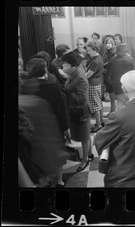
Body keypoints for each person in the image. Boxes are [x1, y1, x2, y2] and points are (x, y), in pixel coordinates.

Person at [22, 58, 69, 187]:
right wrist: (65, 127)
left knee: (38, 154)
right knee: (58, 153)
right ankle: (59, 180)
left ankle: (45, 180)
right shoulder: (53, 85)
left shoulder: (25, 86)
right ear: (45, 70)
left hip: (33, 127)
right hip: (54, 125)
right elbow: (61, 108)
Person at [61, 51, 93, 171]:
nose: (63, 68)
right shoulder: (73, 73)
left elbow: (82, 98)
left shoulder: (79, 78)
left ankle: (85, 160)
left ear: (73, 66)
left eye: (65, 65)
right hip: (75, 109)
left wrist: (67, 92)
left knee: (84, 137)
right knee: (85, 135)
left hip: (81, 111)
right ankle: (89, 153)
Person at [107, 43, 135, 111]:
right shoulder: (130, 59)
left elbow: (109, 74)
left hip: (117, 85)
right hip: (128, 86)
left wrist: (111, 83)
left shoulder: (113, 60)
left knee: (119, 103)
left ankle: (120, 118)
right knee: (128, 103)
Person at [85, 40, 105, 132]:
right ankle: (101, 121)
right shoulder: (99, 57)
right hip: (97, 82)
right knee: (99, 103)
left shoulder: (94, 61)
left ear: (94, 49)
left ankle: (99, 125)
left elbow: (88, 75)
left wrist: (81, 76)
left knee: (95, 105)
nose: (88, 52)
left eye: (89, 50)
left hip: (92, 83)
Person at [103, 37, 116, 114]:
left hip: (112, 76)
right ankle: (112, 110)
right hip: (107, 74)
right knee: (111, 95)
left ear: (112, 44)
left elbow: (111, 63)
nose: (108, 45)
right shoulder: (106, 53)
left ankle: (113, 111)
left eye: (109, 43)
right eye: (106, 43)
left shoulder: (114, 53)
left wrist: (104, 65)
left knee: (113, 95)